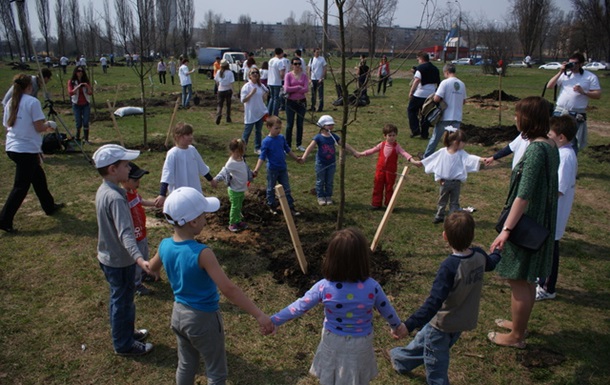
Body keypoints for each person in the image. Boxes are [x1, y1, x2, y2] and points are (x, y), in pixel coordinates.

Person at [148, 187, 274, 385]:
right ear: (193, 221)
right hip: (203, 319)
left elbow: (152, 267)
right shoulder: (202, 253)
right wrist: (259, 314)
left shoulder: (164, 245)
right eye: (203, 215)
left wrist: (147, 266)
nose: (206, 219)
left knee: (186, 363)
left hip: (178, 315)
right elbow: (228, 289)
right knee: (216, 371)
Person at [271, 227, 405, 384]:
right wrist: (397, 326)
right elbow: (386, 310)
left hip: (332, 341)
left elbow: (299, 307)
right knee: (356, 377)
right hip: (361, 343)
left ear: (331, 258)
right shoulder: (372, 287)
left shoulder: (323, 287)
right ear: (363, 259)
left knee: (331, 375)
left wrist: (274, 320)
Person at [388, 211, 502, 383]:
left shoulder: (449, 267)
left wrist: (409, 325)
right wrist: (497, 252)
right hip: (462, 320)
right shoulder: (479, 255)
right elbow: (491, 263)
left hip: (443, 324)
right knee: (424, 341)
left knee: (436, 364)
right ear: (472, 235)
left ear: (444, 236)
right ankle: (401, 360)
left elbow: (433, 303)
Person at [488, 96, 559, 349]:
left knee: (518, 278)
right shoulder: (549, 144)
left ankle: (516, 337)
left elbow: (524, 194)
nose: (514, 119)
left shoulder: (537, 150)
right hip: (538, 221)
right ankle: (519, 325)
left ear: (527, 119)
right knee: (526, 278)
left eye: (517, 115)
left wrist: (507, 230)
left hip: (527, 223)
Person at [92, 144, 153, 356]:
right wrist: (138, 258)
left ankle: (126, 332)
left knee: (120, 299)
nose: (129, 169)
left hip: (108, 258)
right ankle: (124, 344)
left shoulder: (105, 190)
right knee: (123, 302)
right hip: (120, 261)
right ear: (112, 169)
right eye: (126, 165)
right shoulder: (117, 198)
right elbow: (126, 233)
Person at [0, 74, 63, 233]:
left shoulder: (10, 103)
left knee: (38, 177)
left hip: (13, 148)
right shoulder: (32, 102)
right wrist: (49, 124)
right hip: (25, 150)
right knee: (21, 186)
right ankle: (4, 220)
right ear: (30, 87)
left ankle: (49, 206)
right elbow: (39, 127)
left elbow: (8, 125)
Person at [536, 115, 578, 301]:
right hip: (550, 212)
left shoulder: (566, 156)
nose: (547, 135)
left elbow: (558, 189)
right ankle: (542, 278)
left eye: (550, 133)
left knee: (551, 249)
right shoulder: (561, 153)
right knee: (546, 247)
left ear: (561, 137)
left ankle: (547, 287)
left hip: (555, 212)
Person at [416, 129, 482, 224]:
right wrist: (422, 163)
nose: (464, 145)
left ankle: (452, 218)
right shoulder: (442, 152)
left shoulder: (461, 153)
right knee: (442, 200)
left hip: (456, 183)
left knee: (454, 202)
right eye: (462, 142)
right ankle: (439, 216)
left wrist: (481, 159)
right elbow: (433, 159)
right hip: (444, 182)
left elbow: (470, 158)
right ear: (455, 142)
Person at [545, 52, 602, 155]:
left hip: (575, 114)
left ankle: (569, 162)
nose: (572, 66)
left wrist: (583, 92)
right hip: (560, 111)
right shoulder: (565, 75)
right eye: (570, 63)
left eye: (575, 63)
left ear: (581, 64)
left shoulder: (589, 77)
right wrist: (560, 72)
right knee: (554, 138)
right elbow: (549, 86)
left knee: (572, 141)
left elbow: (598, 95)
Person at [358, 124, 421, 210]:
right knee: (378, 186)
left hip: (390, 173)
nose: (391, 137)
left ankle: (389, 204)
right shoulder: (381, 145)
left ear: (396, 135)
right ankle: (376, 204)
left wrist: (413, 161)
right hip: (380, 171)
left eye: (393, 135)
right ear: (385, 136)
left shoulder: (397, 147)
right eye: (389, 135)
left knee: (389, 188)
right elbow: (372, 150)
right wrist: (361, 154)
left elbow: (404, 153)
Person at [300, 115, 358, 206]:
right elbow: (310, 148)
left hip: (331, 164)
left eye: (332, 124)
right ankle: (320, 196)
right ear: (322, 126)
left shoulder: (334, 137)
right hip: (321, 164)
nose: (331, 126)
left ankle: (328, 196)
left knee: (329, 181)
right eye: (328, 125)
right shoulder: (318, 137)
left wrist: (354, 152)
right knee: (320, 181)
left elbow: (343, 144)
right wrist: (304, 157)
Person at [154, 123, 215, 208]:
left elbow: (202, 167)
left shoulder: (192, 150)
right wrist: (162, 194)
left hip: (194, 191)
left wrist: (211, 180)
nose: (191, 137)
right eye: (187, 135)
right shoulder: (173, 153)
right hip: (179, 193)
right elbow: (167, 174)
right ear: (178, 136)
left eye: (191, 134)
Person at [252, 116, 301, 216]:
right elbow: (262, 157)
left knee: (286, 188)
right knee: (270, 188)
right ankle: (272, 206)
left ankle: (290, 207)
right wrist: (256, 169)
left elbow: (287, 150)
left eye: (279, 128)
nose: (278, 130)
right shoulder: (266, 142)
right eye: (276, 128)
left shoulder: (281, 138)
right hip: (272, 169)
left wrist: (296, 158)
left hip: (282, 168)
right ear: (269, 127)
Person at [121, 162, 156, 296]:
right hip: (133, 234)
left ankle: (143, 274)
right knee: (137, 259)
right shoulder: (122, 197)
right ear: (124, 180)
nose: (138, 183)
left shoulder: (133, 192)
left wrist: (155, 203)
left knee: (145, 253)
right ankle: (136, 284)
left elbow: (141, 202)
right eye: (135, 180)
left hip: (142, 231)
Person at [423, 63, 467, 158]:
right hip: (457, 116)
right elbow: (464, 101)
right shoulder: (462, 84)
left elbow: (436, 98)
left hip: (445, 116)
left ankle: (426, 157)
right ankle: (453, 157)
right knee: (454, 140)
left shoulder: (445, 83)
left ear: (446, 72)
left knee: (435, 138)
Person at [213, 139, 253, 232]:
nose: (244, 151)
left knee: (239, 206)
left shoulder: (242, 159)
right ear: (235, 151)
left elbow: (245, 168)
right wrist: (215, 180)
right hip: (234, 189)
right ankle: (232, 223)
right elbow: (223, 172)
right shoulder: (230, 163)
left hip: (241, 188)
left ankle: (238, 221)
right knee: (235, 206)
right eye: (242, 150)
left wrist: (251, 174)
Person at [408, 52, 440, 139]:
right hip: (431, 95)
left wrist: (411, 92)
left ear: (421, 59)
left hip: (419, 94)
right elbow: (438, 82)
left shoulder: (420, 68)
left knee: (411, 110)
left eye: (418, 59)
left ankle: (415, 130)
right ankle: (424, 134)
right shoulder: (435, 69)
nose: (418, 61)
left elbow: (417, 80)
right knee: (425, 114)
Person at [240, 67, 269, 154]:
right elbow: (243, 100)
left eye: (256, 72)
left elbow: (266, 92)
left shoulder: (261, 86)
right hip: (250, 113)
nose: (255, 74)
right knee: (247, 133)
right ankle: (242, 150)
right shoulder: (246, 87)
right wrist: (251, 93)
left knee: (258, 131)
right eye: (253, 73)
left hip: (259, 112)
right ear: (249, 76)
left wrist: (264, 97)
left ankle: (257, 148)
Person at [283, 56, 309, 150]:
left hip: (301, 102)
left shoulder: (304, 76)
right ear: (292, 65)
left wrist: (294, 88)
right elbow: (286, 88)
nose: (297, 66)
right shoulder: (288, 75)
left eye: (299, 64)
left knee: (300, 124)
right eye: (295, 64)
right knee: (289, 124)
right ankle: (288, 145)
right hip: (290, 102)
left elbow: (306, 89)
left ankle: (299, 144)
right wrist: (298, 87)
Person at [67, 65, 93, 142]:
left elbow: (90, 92)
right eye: (78, 71)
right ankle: (77, 137)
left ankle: (86, 139)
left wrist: (87, 86)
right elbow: (71, 92)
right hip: (76, 104)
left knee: (85, 121)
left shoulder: (86, 81)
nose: (80, 72)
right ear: (75, 72)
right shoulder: (71, 82)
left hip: (85, 104)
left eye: (81, 71)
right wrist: (78, 86)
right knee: (78, 122)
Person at [214, 60, 235, 125]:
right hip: (228, 90)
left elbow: (217, 81)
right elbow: (231, 83)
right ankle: (228, 118)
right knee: (228, 105)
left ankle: (218, 114)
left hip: (220, 90)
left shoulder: (218, 72)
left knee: (219, 105)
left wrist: (218, 87)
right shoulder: (230, 73)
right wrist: (233, 92)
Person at [266, 48, 286, 116]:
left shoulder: (271, 60)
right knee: (276, 99)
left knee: (272, 97)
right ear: (281, 53)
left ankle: (268, 112)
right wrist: (282, 78)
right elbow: (282, 73)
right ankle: (275, 114)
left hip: (270, 81)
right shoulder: (279, 61)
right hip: (276, 82)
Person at [307, 48, 327, 112]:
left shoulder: (322, 59)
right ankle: (313, 107)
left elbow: (324, 68)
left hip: (319, 79)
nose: (318, 53)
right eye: (317, 52)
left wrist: (322, 77)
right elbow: (309, 69)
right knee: (313, 94)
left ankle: (320, 107)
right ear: (314, 53)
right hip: (313, 79)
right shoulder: (312, 59)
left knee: (320, 94)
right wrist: (309, 78)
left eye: (319, 52)